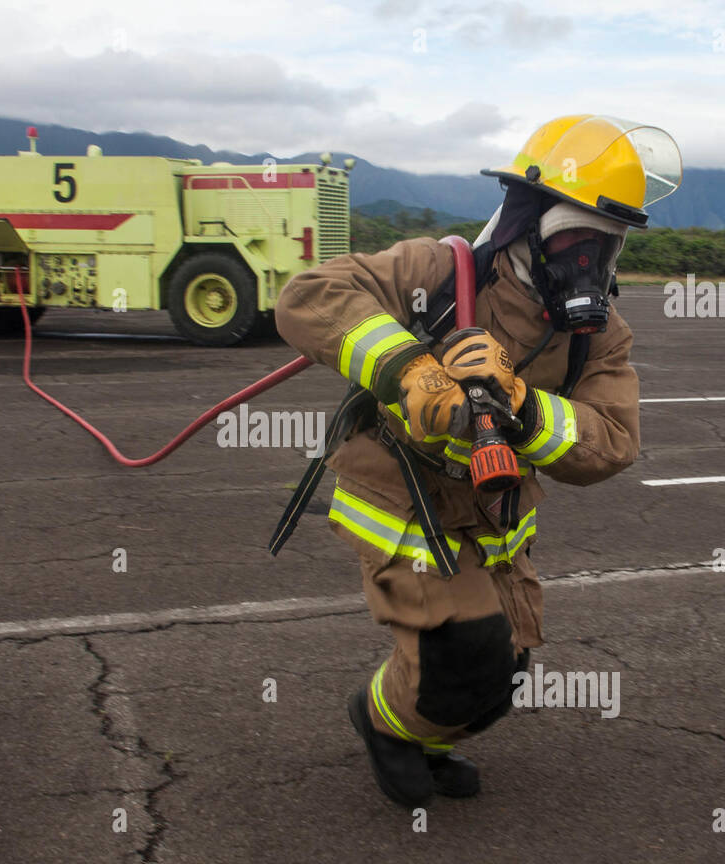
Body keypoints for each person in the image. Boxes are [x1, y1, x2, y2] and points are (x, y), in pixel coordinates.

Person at [272, 115, 682, 806]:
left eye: (604, 246)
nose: (588, 261)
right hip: (403, 500)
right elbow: (308, 297)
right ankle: (381, 721)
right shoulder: (442, 271)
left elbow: (612, 441)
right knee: (464, 649)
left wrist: (521, 405)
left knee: (506, 669)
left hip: (496, 511)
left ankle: (427, 740)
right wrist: (410, 371)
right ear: (527, 220)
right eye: (573, 237)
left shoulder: (598, 336)